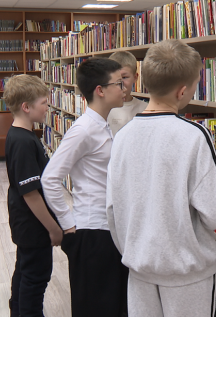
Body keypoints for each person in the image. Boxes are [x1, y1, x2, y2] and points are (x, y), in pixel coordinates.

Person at [106, 39, 216, 317]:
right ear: (183, 91)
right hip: (189, 278)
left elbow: (113, 209)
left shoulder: (122, 136)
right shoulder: (194, 136)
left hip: (139, 272)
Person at [42, 58, 128, 317]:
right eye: (118, 83)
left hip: (108, 230)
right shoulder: (84, 129)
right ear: (100, 90)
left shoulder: (102, 125)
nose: (124, 88)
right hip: (92, 233)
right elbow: (50, 178)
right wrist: (68, 225)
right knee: (95, 308)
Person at [3, 74, 63, 317]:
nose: (48, 107)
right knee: (36, 278)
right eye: (44, 103)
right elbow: (31, 194)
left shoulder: (21, 135)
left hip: (26, 222)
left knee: (24, 271)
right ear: (26, 107)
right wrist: (53, 228)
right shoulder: (23, 142)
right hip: (33, 224)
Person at [107, 51, 147, 135]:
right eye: (116, 78)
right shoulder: (104, 108)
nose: (120, 83)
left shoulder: (145, 108)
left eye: (124, 77)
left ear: (135, 77)